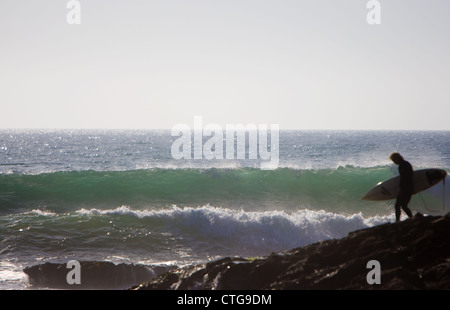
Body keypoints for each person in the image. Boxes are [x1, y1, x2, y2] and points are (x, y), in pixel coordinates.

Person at [389, 152, 414, 222]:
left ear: (397, 158)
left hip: (405, 188)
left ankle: (398, 221)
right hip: (409, 188)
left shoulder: (402, 165)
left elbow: (404, 178)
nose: (394, 162)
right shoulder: (406, 163)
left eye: (394, 160)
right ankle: (412, 218)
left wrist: (401, 189)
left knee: (398, 205)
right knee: (404, 205)